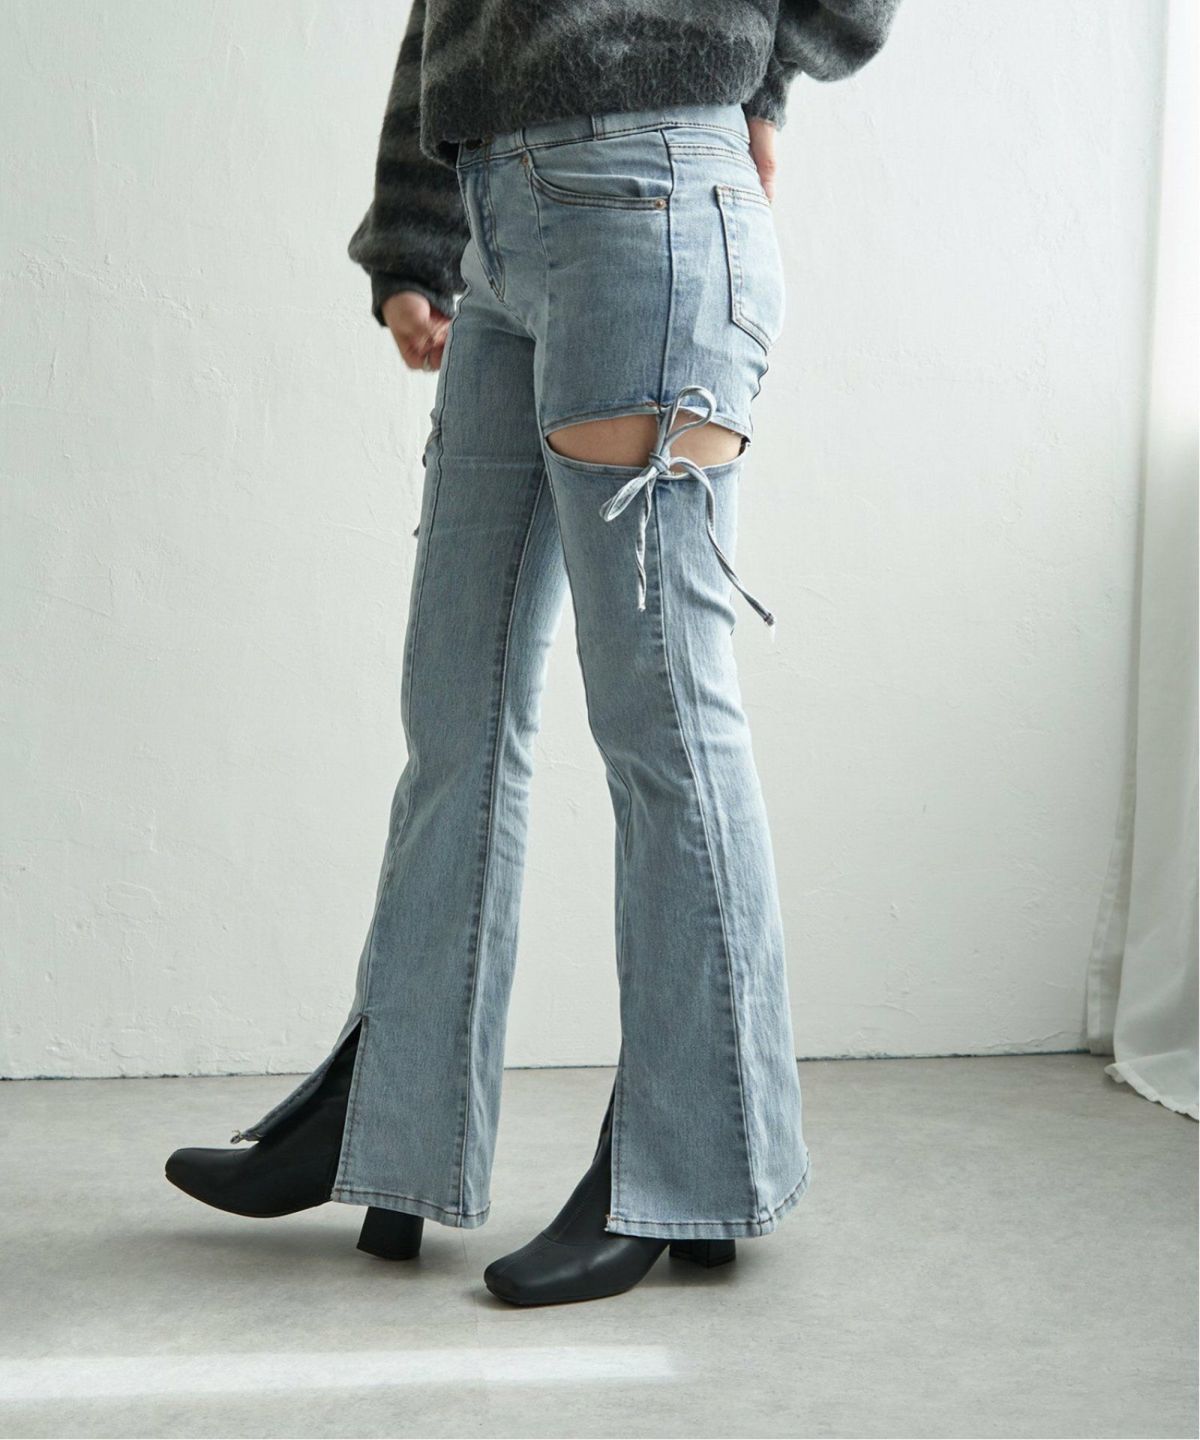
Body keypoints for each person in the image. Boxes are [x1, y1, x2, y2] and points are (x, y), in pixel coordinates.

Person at [165, 0, 902, 1307]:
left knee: (660, 713)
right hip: (498, 218)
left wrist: (762, 82)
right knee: (455, 705)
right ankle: (391, 1121)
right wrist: (414, 237)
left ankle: (695, 1160)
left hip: (647, 207)